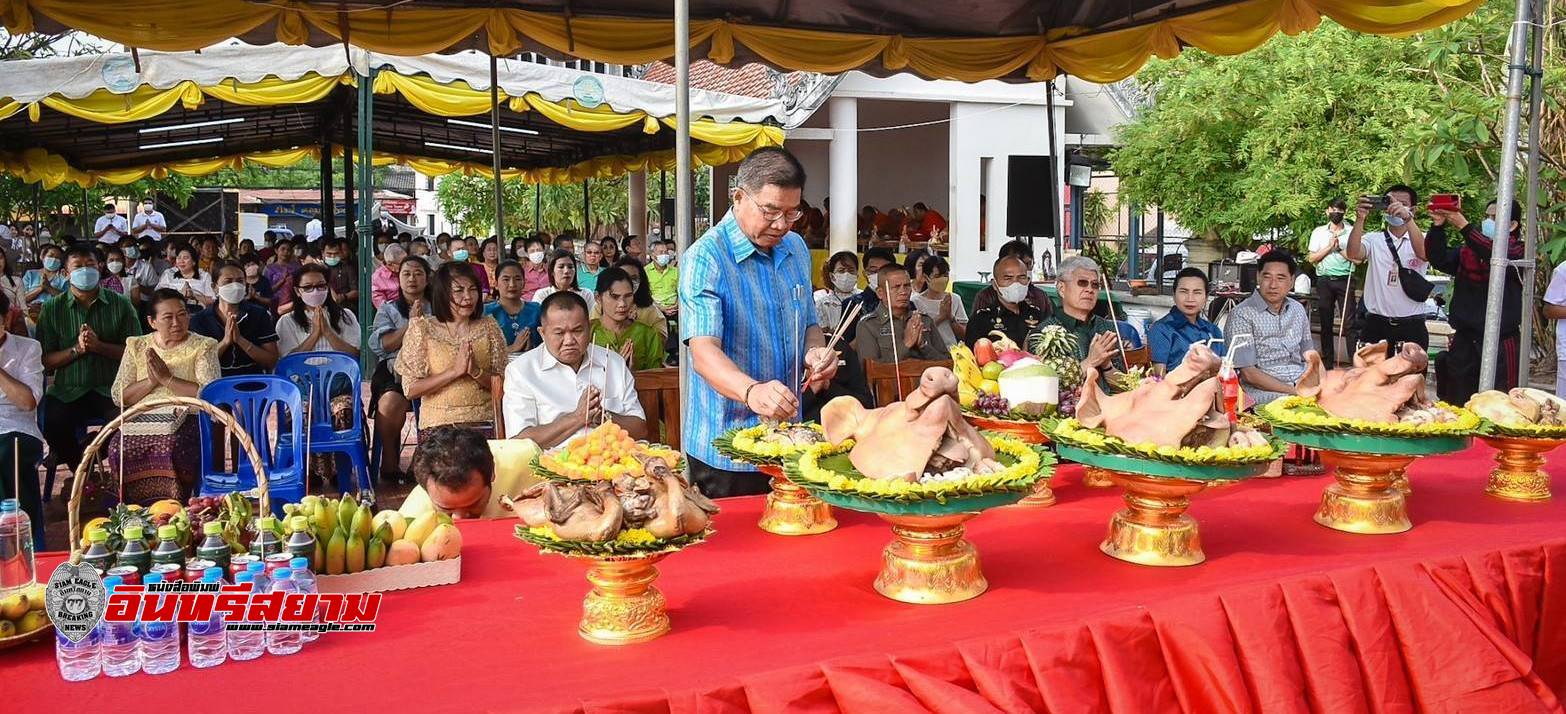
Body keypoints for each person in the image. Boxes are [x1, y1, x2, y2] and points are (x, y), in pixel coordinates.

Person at [680, 147, 838, 497]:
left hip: (789, 440)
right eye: (770, 211)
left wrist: (816, 353)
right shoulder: (706, 257)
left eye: (792, 212)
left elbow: (810, 324)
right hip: (726, 449)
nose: (781, 224)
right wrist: (752, 391)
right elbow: (704, 354)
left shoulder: (795, 248)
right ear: (739, 197)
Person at [109, 288, 220, 503]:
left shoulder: (204, 346)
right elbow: (119, 395)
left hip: (188, 416)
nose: (177, 323)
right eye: (168, 317)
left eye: (182, 314)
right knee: (117, 446)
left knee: (172, 445)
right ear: (152, 322)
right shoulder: (137, 345)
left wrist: (168, 379)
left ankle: (175, 506)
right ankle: (134, 510)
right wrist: (152, 381)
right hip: (142, 417)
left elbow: (209, 393)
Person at [38, 244, 140, 476]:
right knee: (51, 422)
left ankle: (85, 453)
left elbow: (137, 353)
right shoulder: (52, 309)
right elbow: (45, 361)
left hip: (112, 389)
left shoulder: (120, 304)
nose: (85, 270)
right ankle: (84, 471)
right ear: (66, 273)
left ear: (101, 267)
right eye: (78, 266)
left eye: (91, 265)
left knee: (131, 420)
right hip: (68, 389)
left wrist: (99, 347)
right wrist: (77, 349)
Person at [502, 292, 647, 448]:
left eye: (577, 331)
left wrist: (603, 417)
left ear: (589, 329)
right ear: (542, 333)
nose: (569, 341)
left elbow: (640, 428)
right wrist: (577, 417)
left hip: (612, 465)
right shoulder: (522, 371)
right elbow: (519, 442)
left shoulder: (613, 362)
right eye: (559, 333)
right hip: (552, 468)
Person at [1429, 199, 1524, 403]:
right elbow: (1439, 259)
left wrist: (1464, 225)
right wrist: (1438, 227)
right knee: (1457, 399)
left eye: (1494, 218)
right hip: (1465, 339)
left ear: (1513, 225)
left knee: (1500, 401)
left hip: (1501, 341)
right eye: (1487, 216)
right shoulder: (1467, 251)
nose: (1488, 221)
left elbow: (1496, 255)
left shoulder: (1519, 252)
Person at [397, 261, 506, 438]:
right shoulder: (423, 329)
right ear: (442, 294)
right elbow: (411, 390)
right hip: (439, 427)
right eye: (458, 291)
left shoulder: (489, 327)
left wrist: (476, 372)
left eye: (473, 289)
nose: (468, 297)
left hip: (485, 424)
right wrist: (454, 372)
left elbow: (503, 386)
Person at [1347, 185, 1430, 356]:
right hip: (1377, 324)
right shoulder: (1373, 239)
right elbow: (1353, 253)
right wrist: (1360, 219)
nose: (1395, 207)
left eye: (1402, 203)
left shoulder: (1422, 237)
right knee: (1372, 380)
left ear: (1413, 209)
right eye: (1390, 202)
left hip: (1412, 325)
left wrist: (1408, 219)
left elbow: (1424, 254)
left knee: (1409, 381)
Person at [1224, 251, 1314, 407]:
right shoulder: (1241, 315)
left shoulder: (1297, 309)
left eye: (1280, 278)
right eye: (1267, 277)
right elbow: (1249, 374)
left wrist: (1318, 383)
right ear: (1258, 277)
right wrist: (1295, 392)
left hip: (1302, 385)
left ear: (1291, 281)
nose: (1273, 285)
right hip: (1265, 394)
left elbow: (1310, 356)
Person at [370, 256, 431, 483]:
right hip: (396, 369)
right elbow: (384, 344)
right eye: (406, 274)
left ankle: (421, 459)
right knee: (388, 403)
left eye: (418, 273)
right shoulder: (388, 309)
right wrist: (411, 323)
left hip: (433, 370)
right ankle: (389, 461)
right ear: (399, 278)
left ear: (427, 278)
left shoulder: (440, 305)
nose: (412, 279)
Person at [397, 425, 535, 520]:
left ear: (492, 470)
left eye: (473, 505)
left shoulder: (531, 462)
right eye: (447, 510)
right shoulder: (412, 518)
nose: (459, 519)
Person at [1038, 255, 1128, 384]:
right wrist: (1091, 361)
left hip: (1109, 402)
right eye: (1082, 283)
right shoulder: (1044, 333)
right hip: (1072, 403)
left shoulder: (1106, 327)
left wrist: (1107, 365)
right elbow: (1047, 388)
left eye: (1095, 285)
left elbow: (1124, 385)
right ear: (1061, 289)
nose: (1090, 290)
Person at [0, 291, 45, 542]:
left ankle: (18, 538)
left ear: (6, 319)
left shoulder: (28, 348)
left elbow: (27, 402)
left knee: (5, 453)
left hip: (18, 430)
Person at [189, 262, 280, 377]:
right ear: (214, 287)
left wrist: (241, 341)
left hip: (253, 382)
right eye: (228, 281)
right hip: (215, 382)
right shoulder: (200, 319)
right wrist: (225, 342)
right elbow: (198, 365)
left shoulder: (259, 315)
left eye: (240, 281)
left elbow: (271, 361)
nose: (235, 286)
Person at [854, 263, 948, 363]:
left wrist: (923, 346)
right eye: (896, 287)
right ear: (880, 293)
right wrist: (906, 344)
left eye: (907, 286)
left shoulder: (924, 320)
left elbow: (947, 362)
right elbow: (870, 370)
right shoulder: (868, 325)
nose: (903, 292)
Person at [1147, 268, 1225, 373]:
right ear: (1174, 295)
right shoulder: (1162, 329)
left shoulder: (1213, 331)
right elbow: (1159, 378)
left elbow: (1225, 369)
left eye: (1197, 292)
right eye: (1184, 292)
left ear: (1206, 297)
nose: (1190, 298)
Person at [275, 263, 361, 356]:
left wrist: (327, 331)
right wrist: (315, 334)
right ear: (297, 291)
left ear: (327, 287)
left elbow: (354, 354)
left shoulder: (345, 315)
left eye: (320, 286)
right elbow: (287, 359)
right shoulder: (287, 321)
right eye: (308, 287)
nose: (315, 291)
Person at [1308, 199, 1355, 366]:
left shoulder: (1352, 231)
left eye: (1340, 210)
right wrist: (1329, 248)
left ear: (1344, 212)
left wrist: (1339, 249)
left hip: (1345, 279)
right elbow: (1312, 258)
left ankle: (1353, 362)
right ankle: (1327, 363)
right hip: (1324, 280)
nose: (1336, 213)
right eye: (1333, 209)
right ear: (1328, 211)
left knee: (1349, 324)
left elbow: (1357, 259)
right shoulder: (1319, 232)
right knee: (1325, 322)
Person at [966, 256, 1048, 350]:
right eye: (1008, 278)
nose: (1016, 283)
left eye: (1021, 277)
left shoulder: (1037, 314)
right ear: (995, 284)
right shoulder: (981, 320)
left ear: (1028, 281)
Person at [592, 267, 664, 370]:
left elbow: (656, 379)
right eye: (614, 296)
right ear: (598, 298)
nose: (622, 304)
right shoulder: (588, 332)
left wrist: (632, 374)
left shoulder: (648, 335)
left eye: (628, 296)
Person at [972, 240, 1053, 314]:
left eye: (1028, 264)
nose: (1022, 268)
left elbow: (1051, 326)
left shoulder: (1039, 296)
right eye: (1015, 263)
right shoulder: (986, 296)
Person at [838, 247, 897, 343]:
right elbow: (846, 347)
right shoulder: (852, 304)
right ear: (865, 274)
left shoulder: (904, 302)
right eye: (874, 271)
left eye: (884, 270)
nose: (879, 275)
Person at [485, 260, 540, 355]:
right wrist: (511, 348)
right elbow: (481, 353)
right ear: (496, 284)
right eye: (506, 279)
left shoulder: (537, 310)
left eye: (517, 279)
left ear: (524, 283)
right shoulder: (486, 312)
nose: (512, 284)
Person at [911, 254, 967, 346]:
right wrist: (941, 317)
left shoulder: (955, 299)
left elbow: (964, 334)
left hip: (952, 351)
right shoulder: (916, 302)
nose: (943, 280)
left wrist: (950, 318)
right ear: (926, 277)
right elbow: (918, 333)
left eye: (945, 275)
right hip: (928, 353)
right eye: (937, 276)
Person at [530, 249, 596, 313]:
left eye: (570, 267)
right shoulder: (542, 295)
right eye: (561, 267)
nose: (566, 271)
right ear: (552, 271)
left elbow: (592, 321)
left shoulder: (586, 295)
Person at [156, 243, 216, 311]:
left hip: (198, 313)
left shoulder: (204, 276)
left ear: (194, 262)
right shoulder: (168, 274)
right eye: (179, 258)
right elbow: (158, 296)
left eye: (185, 258)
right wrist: (179, 294)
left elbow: (213, 300)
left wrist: (194, 295)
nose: (181, 261)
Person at [814, 251, 860, 335]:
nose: (847, 274)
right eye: (841, 271)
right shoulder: (822, 303)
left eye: (851, 270)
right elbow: (821, 332)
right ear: (832, 276)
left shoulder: (863, 298)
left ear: (857, 275)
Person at [264, 238, 302, 315]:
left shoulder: (297, 267)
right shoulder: (269, 269)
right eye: (283, 249)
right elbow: (267, 290)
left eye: (288, 250)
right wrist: (282, 280)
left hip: (293, 303)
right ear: (276, 251)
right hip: (275, 303)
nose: (286, 252)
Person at [645, 239, 679, 317]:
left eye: (666, 252)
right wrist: (661, 308)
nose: (665, 255)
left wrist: (676, 305)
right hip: (654, 310)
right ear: (653, 256)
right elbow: (646, 295)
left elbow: (681, 292)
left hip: (675, 310)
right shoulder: (645, 272)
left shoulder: (675, 271)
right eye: (661, 252)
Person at [323, 238, 359, 306]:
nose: (332, 256)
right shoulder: (318, 269)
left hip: (344, 306)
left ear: (340, 253)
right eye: (329, 253)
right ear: (323, 253)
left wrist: (343, 297)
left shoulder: (348, 268)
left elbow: (356, 291)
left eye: (336, 253)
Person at [371, 243, 405, 308]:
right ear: (390, 264)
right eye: (401, 263)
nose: (405, 265)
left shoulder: (407, 271)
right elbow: (382, 305)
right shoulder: (377, 278)